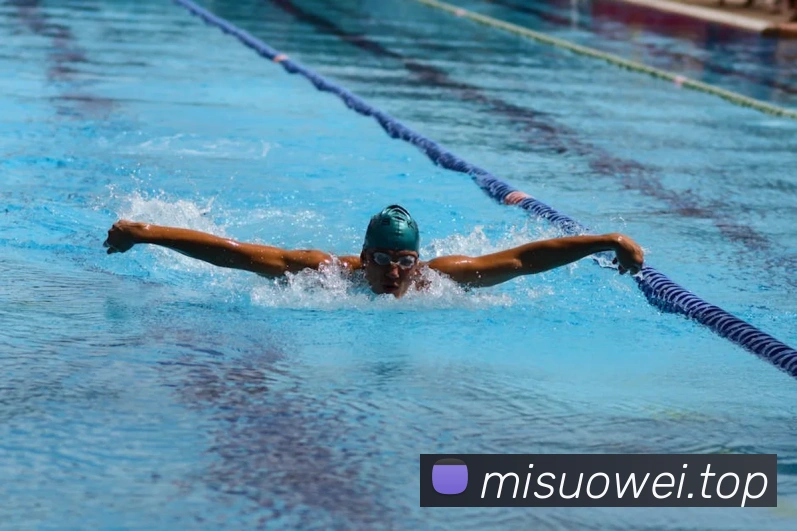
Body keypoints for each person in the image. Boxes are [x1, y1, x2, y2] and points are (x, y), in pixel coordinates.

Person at [103, 204, 644, 298]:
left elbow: (525, 259)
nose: (393, 273)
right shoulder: (324, 275)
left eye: (404, 262)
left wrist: (606, 239)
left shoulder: (439, 280)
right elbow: (234, 253)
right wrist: (147, 232)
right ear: (364, 258)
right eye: (382, 260)